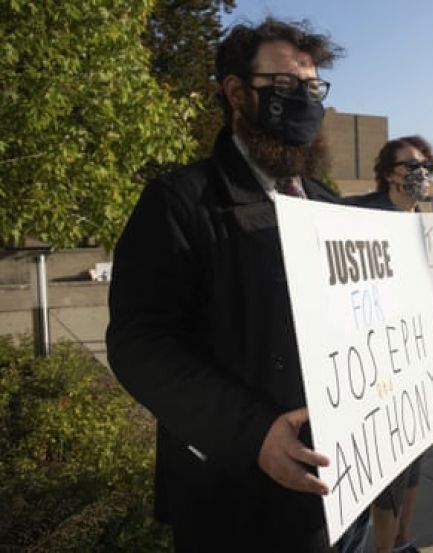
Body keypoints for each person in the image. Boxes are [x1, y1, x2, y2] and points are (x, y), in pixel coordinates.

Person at [106, 19, 370, 552]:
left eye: (313, 87)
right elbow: (140, 344)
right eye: (285, 86)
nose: (304, 100)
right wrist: (252, 433)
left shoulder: (324, 199)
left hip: (342, 491)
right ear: (235, 92)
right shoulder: (180, 201)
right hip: (239, 504)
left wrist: (408, 388)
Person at [349, 135, 433, 553]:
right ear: (387, 173)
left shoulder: (429, 226)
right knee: (388, 470)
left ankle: (401, 539)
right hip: (383, 361)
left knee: (416, 458)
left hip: (429, 353)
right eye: (410, 166)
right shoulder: (361, 216)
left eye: (426, 166)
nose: (420, 174)